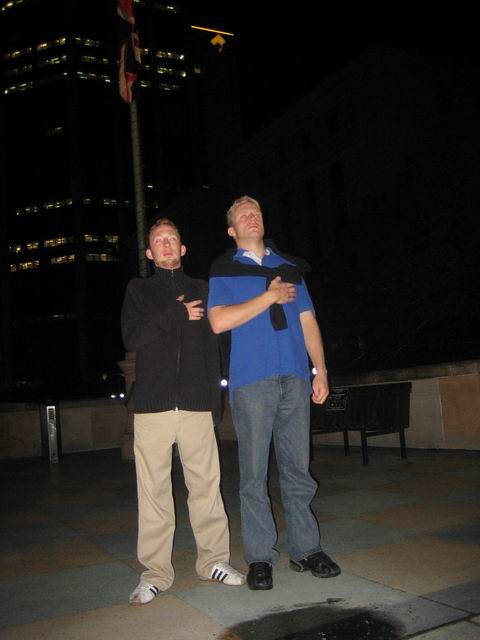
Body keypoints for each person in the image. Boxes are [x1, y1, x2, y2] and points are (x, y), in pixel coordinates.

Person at [208, 196, 341, 591]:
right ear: (232, 230)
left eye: (257, 213)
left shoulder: (289, 267)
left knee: (298, 469)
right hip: (251, 381)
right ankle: (260, 558)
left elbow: (308, 320)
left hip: (295, 377)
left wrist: (320, 370)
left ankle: (306, 549)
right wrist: (269, 296)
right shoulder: (225, 269)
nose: (252, 217)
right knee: (253, 475)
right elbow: (218, 321)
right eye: (243, 215)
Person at [121, 218, 245, 605]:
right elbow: (133, 336)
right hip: (152, 406)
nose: (166, 244)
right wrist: (175, 314)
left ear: (182, 247)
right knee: (153, 493)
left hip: (195, 404)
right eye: (159, 240)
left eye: (172, 238)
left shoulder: (202, 290)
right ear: (149, 252)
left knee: (206, 487)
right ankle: (155, 574)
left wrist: (214, 402)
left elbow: (213, 350)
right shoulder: (139, 290)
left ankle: (214, 561)